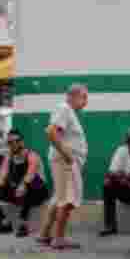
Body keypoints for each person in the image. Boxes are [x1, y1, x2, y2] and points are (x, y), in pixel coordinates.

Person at [37, 83, 89, 250]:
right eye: (84, 97)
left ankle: (44, 234)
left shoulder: (67, 111)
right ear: (74, 96)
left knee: (59, 198)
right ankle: (58, 238)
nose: (86, 101)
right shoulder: (64, 108)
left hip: (63, 161)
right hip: (65, 162)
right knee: (68, 199)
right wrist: (68, 155)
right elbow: (51, 131)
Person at [0, 129, 50, 237]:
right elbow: (3, 174)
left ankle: (23, 224)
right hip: (18, 191)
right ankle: (4, 223)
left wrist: (23, 184)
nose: (13, 144)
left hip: (38, 192)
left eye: (17, 141)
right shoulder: (8, 157)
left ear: (22, 142)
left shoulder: (32, 155)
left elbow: (31, 174)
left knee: (31, 183)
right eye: (10, 142)